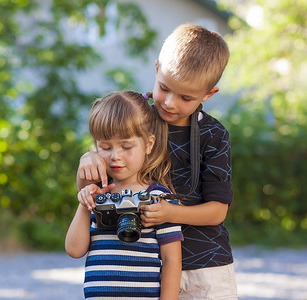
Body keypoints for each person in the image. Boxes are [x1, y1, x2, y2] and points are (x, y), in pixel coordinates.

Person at [77, 24, 238, 299]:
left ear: (208, 94)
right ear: (156, 68)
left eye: (186, 97)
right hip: (144, 266)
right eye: (164, 88)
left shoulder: (213, 134)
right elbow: (93, 191)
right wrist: (87, 159)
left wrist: (170, 213)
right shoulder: (135, 120)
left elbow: (217, 212)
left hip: (206, 266)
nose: (170, 103)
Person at [65, 90, 183, 299]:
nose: (115, 157)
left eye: (126, 146)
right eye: (105, 147)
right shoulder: (100, 195)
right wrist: (85, 203)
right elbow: (74, 250)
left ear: (148, 144)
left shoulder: (157, 197)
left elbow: (171, 260)